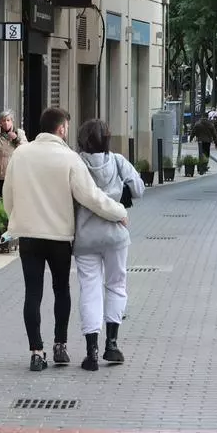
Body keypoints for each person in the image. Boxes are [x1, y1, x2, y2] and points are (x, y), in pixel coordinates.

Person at [4, 108, 128, 372]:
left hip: (29, 235)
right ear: (61, 129)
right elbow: (91, 198)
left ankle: (37, 352)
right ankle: (60, 346)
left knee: (32, 293)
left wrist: (17, 219)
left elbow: (8, 195)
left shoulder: (20, 154)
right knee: (61, 290)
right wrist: (119, 212)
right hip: (59, 236)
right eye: (67, 128)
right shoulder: (70, 158)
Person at [73, 119, 145, 371]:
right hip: (116, 235)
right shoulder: (117, 161)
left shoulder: (76, 163)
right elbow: (139, 189)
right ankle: (112, 344)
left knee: (89, 289)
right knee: (116, 285)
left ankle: (91, 350)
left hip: (85, 237)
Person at [0, 109, 26, 198]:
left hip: (15, 169)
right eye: (3, 120)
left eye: (8, 120)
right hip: (1, 170)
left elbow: (25, 148)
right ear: (0, 123)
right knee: (3, 196)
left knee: (15, 196)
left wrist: (16, 139)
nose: (6, 123)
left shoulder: (19, 132)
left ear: (12, 121)